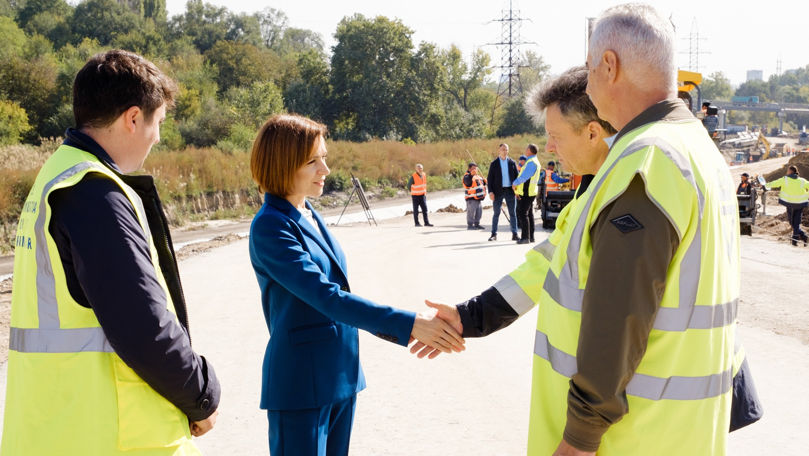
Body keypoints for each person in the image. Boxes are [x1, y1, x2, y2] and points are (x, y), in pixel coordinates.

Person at [1, 50, 220, 455]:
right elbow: (143, 325)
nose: (158, 138)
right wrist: (201, 395)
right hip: (114, 438)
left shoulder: (54, 177)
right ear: (133, 118)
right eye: (159, 124)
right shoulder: (94, 192)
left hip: (57, 431)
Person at [248, 114, 465, 455]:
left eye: (325, 158)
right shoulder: (271, 226)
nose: (325, 170)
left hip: (340, 375)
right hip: (301, 384)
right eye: (312, 161)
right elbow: (328, 297)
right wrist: (409, 324)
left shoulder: (306, 213)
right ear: (283, 165)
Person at [765, 165, 809, 246]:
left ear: (791, 171)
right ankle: (803, 236)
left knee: (793, 223)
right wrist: (806, 195)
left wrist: (765, 185)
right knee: (794, 223)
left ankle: (795, 240)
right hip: (800, 204)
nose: (787, 172)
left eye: (788, 170)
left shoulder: (785, 180)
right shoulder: (802, 181)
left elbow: (775, 183)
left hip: (790, 204)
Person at [486, 143, 519, 241]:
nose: (504, 151)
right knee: (496, 213)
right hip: (497, 191)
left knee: (513, 213)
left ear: (508, 151)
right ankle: (493, 234)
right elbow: (490, 179)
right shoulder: (494, 163)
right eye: (502, 149)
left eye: (506, 149)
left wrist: (517, 191)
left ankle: (515, 233)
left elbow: (517, 178)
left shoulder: (512, 163)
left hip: (510, 191)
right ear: (499, 151)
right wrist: (490, 192)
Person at [512, 144, 542, 244]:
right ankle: (531, 237)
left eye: (526, 148)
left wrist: (515, 183)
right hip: (530, 191)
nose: (525, 150)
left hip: (527, 192)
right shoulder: (533, 161)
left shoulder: (531, 162)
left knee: (523, 214)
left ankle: (525, 238)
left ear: (529, 150)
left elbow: (525, 176)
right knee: (529, 214)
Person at [463, 162, 487, 230]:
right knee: (471, 213)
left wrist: (485, 182)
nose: (475, 170)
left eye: (476, 168)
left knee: (479, 213)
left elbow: (481, 185)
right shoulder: (467, 176)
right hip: (471, 198)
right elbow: (467, 183)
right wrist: (471, 175)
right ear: (469, 169)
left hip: (478, 198)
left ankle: (477, 224)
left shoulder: (478, 176)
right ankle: (470, 225)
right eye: (473, 168)